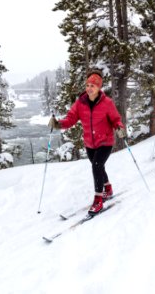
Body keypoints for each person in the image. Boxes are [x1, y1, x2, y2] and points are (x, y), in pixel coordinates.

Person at [48, 70, 126, 215]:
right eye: (88, 85)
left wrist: (119, 127)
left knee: (97, 166)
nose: (89, 88)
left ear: (99, 88)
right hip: (90, 143)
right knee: (98, 166)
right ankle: (107, 188)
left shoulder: (107, 103)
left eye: (93, 86)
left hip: (105, 140)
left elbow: (116, 119)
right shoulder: (80, 103)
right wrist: (58, 124)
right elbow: (71, 119)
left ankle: (98, 200)